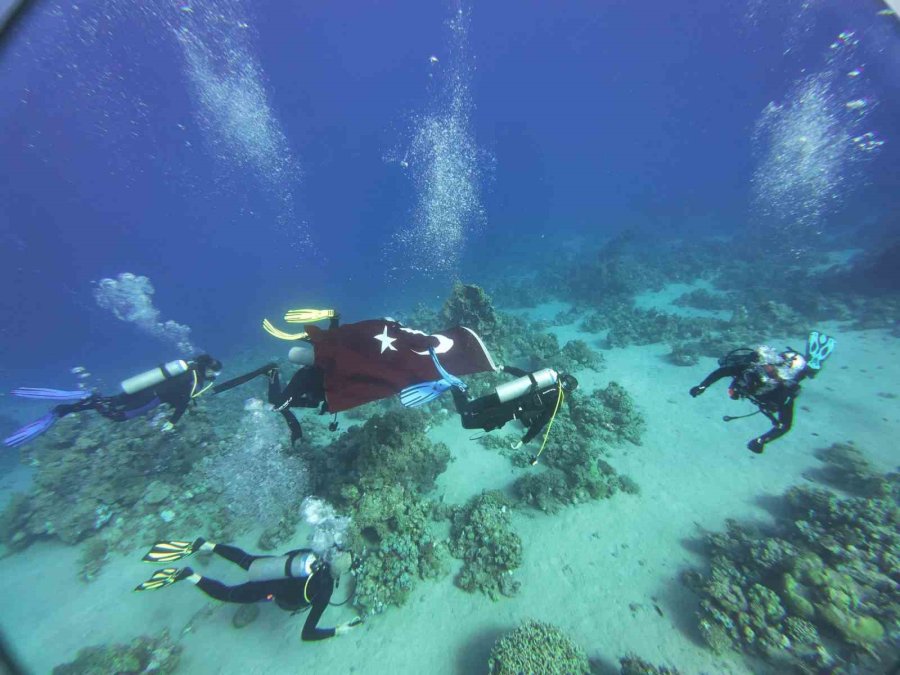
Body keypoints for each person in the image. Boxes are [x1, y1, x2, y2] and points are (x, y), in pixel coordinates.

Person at [214, 311, 500, 443]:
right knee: (278, 403)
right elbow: (347, 357)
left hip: (328, 385)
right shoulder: (320, 373)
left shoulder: (343, 361)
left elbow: (351, 355)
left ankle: (289, 409)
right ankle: (271, 372)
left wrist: (333, 319)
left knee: (303, 403)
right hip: (320, 385)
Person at [134, 538, 361, 641]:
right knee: (227, 594)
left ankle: (205, 545)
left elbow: (288, 555)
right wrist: (337, 630)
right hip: (269, 590)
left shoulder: (312, 555)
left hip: (272, 567)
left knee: (245, 560)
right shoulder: (325, 591)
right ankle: (188, 575)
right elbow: (307, 634)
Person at [3, 355, 222, 448]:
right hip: (151, 398)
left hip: (142, 389)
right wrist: (173, 422)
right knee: (117, 416)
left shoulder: (188, 367)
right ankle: (84, 400)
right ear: (209, 369)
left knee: (112, 402)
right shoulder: (196, 379)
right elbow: (182, 401)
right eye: (215, 373)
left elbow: (178, 393)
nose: (215, 377)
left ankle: (68, 407)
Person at [689, 331, 835, 454]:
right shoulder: (750, 370)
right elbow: (723, 371)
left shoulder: (782, 393)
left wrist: (761, 440)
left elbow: (784, 425)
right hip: (770, 377)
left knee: (805, 373)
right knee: (733, 365)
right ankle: (806, 363)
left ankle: (813, 363)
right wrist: (702, 386)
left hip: (787, 377)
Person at [446, 360, 578, 463]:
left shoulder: (545, 380)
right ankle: (457, 388)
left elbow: (524, 375)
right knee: (467, 423)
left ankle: (456, 387)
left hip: (502, 396)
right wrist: (525, 440)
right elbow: (540, 422)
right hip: (508, 412)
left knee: (466, 409)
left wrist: (505, 368)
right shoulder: (557, 400)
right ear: (570, 391)